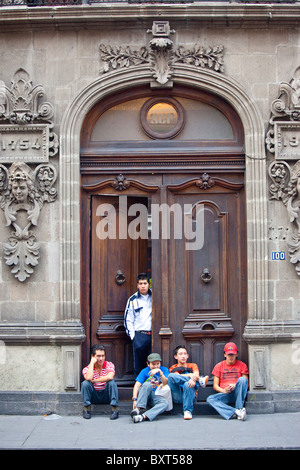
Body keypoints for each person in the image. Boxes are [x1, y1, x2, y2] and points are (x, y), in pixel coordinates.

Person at [206, 342, 249, 421]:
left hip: (238, 393)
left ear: (236, 354)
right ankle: (237, 412)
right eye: (229, 355)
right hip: (225, 394)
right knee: (210, 399)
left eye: (233, 355)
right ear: (224, 355)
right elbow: (215, 386)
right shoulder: (219, 366)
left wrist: (235, 385)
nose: (231, 357)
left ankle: (238, 408)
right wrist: (223, 390)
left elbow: (246, 384)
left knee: (242, 379)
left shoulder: (242, 365)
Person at [168, 345, 209, 420]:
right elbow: (176, 377)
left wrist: (193, 379)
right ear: (175, 357)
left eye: (185, 354)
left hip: (191, 395)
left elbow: (196, 375)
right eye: (180, 354)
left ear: (187, 356)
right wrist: (190, 375)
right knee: (171, 376)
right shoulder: (173, 368)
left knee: (187, 384)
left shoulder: (193, 365)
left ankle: (187, 411)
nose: (183, 356)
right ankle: (200, 380)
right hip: (178, 395)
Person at [124, 273, 152, 378]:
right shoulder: (133, 300)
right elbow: (128, 319)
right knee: (139, 364)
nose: (143, 286)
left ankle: (154, 385)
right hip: (139, 335)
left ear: (148, 284)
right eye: (141, 283)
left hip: (154, 335)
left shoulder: (155, 297)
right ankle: (139, 386)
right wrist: (133, 336)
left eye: (145, 283)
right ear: (137, 285)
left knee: (154, 361)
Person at [81, 344, 119, 420]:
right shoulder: (87, 369)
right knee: (85, 383)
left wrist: (95, 380)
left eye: (103, 356)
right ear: (93, 357)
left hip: (106, 395)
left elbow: (110, 376)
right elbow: (88, 378)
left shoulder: (109, 365)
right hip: (94, 396)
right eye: (98, 356)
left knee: (112, 382)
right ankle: (86, 409)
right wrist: (92, 363)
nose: (101, 358)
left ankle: (115, 409)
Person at [130, 352, 170, 423]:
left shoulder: (164, 370)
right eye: (153, 364)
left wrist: (160, 373)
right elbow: (137, 385)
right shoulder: (144, 371)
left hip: (156, 395)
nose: (156, 366)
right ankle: (137, 409)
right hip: (144, 395)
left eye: (158, 363)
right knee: (147, 384)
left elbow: (165, 383)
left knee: (165, 403)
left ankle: (142, 416)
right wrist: (135, 399)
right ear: (148, 364)